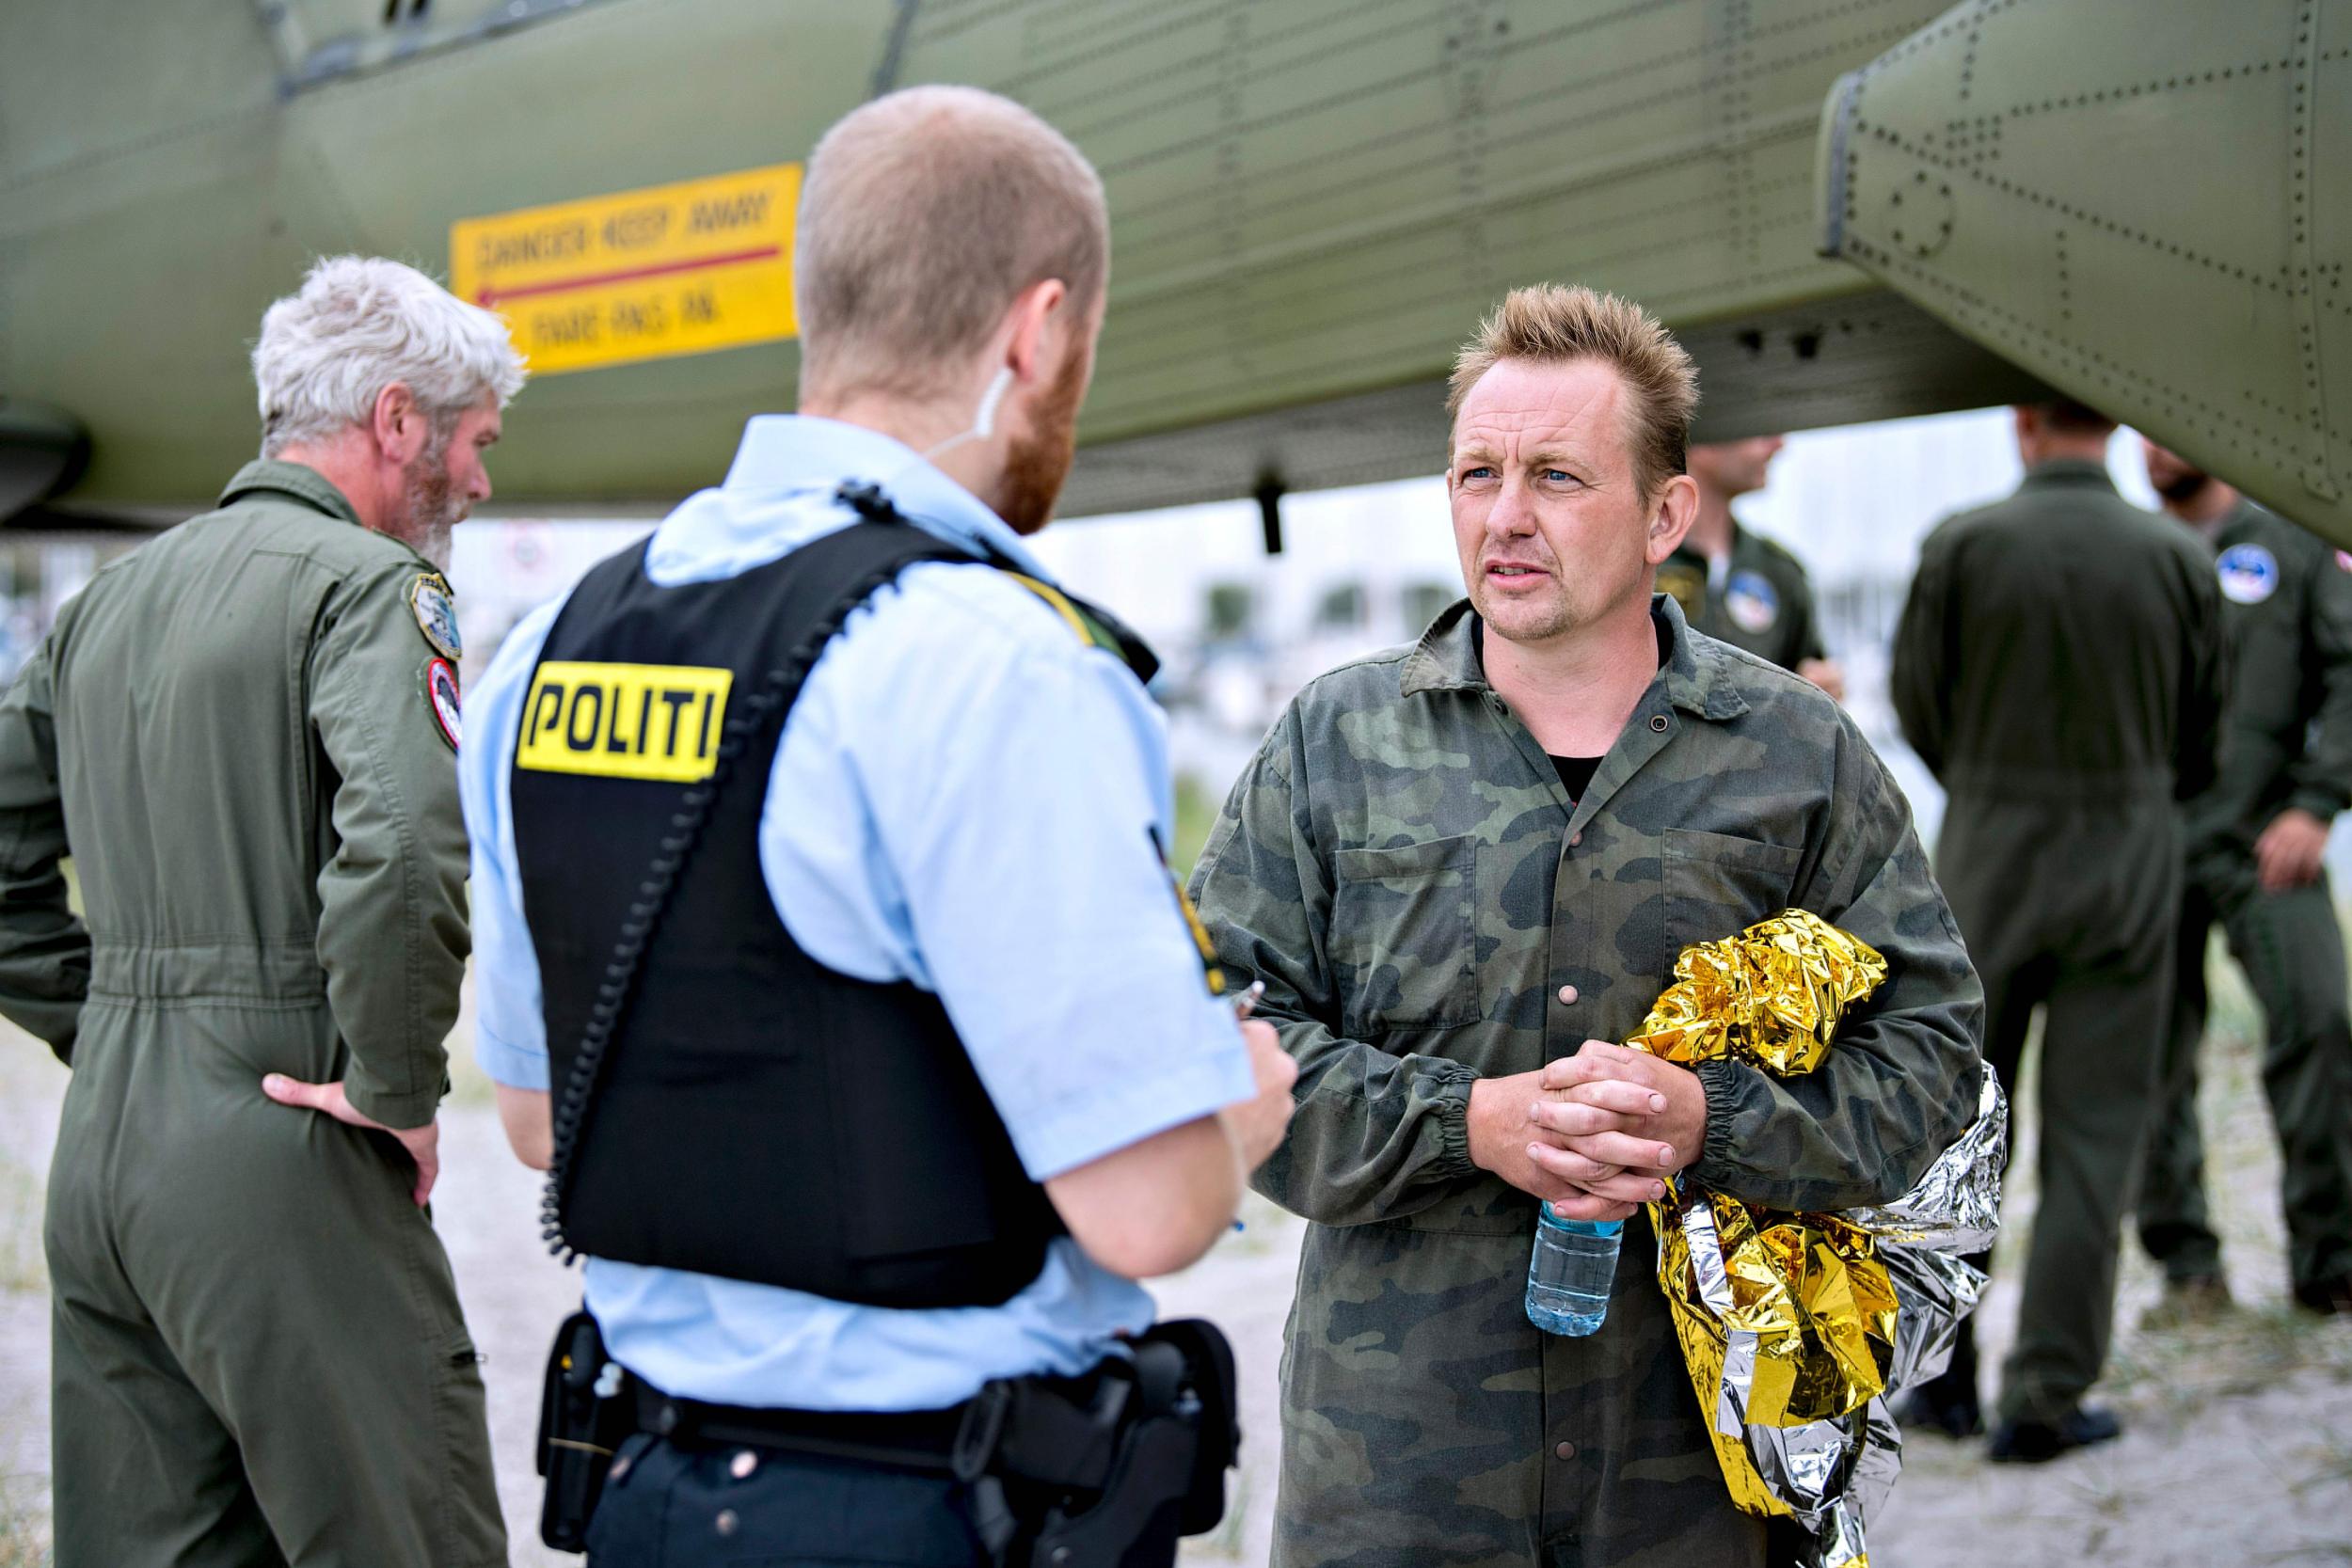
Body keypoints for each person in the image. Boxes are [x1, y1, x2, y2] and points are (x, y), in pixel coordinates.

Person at [461, 86, 1297, 1565]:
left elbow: (539, 1118)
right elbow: (1150, 1209)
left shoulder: (551, 645)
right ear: (1036, 332)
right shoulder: (990, 655)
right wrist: (1242, 1102)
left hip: (651, 1492)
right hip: (927, 1506)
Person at [1188, 283, 1983, 1568]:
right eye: (1476, 473)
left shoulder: (1798, 756)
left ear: (1666, 511)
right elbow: (1219, 1043)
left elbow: (1932, 1061)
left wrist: (1710, 1121)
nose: (1505, 516)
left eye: (1557, 475)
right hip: (1398, 1479)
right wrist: (1468, 1122)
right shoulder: (1334, 747)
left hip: (1691, 1483)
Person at [0, 256, 519, 1566]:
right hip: (284, 1141)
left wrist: (114, 1026)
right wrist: (399, 1083)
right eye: (473, 441)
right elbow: (402, 838)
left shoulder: (103, 603)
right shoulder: (368, 590)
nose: (479, 482)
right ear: (397, 419)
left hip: (105, 1159)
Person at [1890, 401, 2225, 1461]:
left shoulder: (1963, 543)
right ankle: (2045, 1394)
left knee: (1959, 1135)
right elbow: (2204, 726)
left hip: (1989, 856)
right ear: (2117, 430)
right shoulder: (2175, 555)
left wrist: (1989, 785)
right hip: (2129, 860)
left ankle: (1940, 1380)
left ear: (2023, 425)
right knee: (2096, 1139)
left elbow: (1917, 700)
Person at [2136, 441, 2352, 1320]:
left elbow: (2347, 675)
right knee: (2151, 1062)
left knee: (2321, 1021)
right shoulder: (2132, 549)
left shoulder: (2293, 545)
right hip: (2149, 847)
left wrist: (2318, 803)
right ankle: (2188, 1265)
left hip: (2268, 836)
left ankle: (2331, 1261)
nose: (2153, 448)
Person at [1657, 435, 1846, 698]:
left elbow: (1808, 672)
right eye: (1759, 429)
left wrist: (1820, 686)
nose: (1778, 444)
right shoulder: (1636, 565)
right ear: (1703, 440)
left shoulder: (1779, 569)